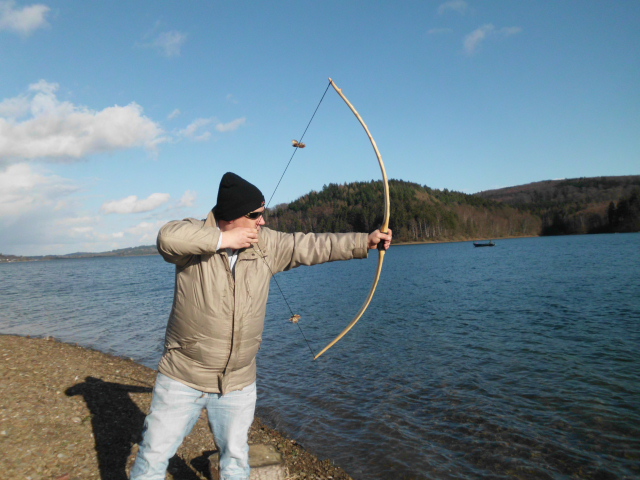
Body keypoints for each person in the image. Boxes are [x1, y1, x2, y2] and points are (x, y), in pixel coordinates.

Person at [130, 172, 392, 480]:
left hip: (239, 381)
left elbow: (311, 245)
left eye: (262, 214)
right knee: (153, 456)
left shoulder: (267, 243)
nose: (262, 221)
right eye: (255, 215)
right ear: (231, 216)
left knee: (236, 460)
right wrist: (223, 240)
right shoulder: (194, 238)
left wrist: (364, 241)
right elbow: (166, 238)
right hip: (183, 376)